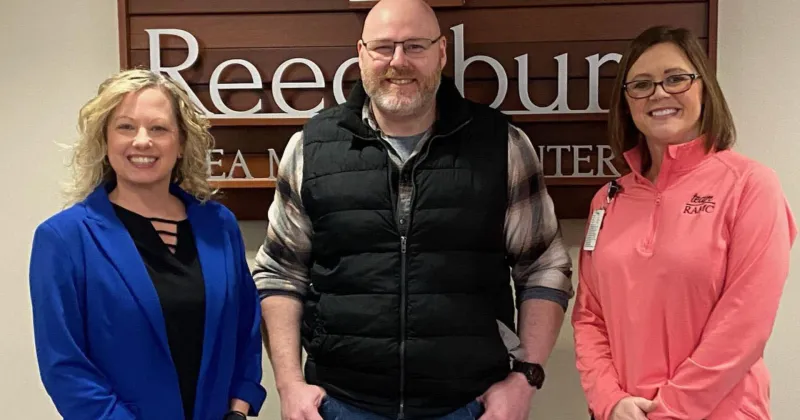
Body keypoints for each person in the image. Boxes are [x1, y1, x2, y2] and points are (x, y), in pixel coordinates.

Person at [252, 0, 573, 419]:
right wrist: (289, 384)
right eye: (384, 47)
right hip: (341, 403)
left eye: (415, 47)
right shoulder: (311, 148)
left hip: (469, 404)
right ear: (361, 53)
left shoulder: (502, 145)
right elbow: (280, 273)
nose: (398, 62)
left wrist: (525, 377)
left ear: (442, 52)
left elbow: (543, 266)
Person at [572, 25, 797, 420]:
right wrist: (609, 400)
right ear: (626, 103)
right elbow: (590, 317)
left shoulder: (750, 186)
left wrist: (668, 411)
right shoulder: (607, 199)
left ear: (704, 88)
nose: (659, 93)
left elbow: (744, 326)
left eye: (675, 78)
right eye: (641, 84)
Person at [28, 69, 266, 420]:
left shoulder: (218, 225)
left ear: (181, 142)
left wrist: (240, 407)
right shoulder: (64, 238)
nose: (142, 141)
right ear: (104, 140)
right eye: (125, 127)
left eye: (159, 128)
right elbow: (65, 366)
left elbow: (246, 326)